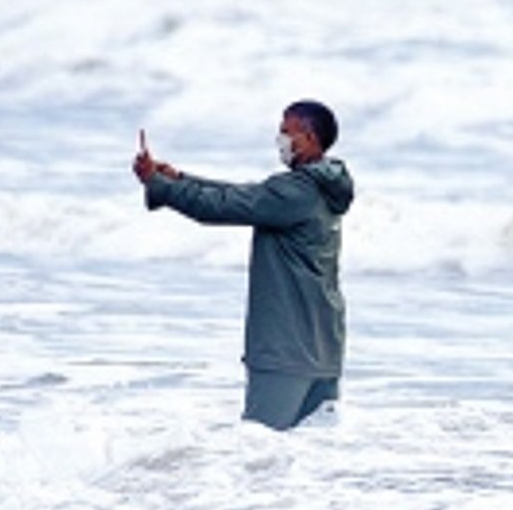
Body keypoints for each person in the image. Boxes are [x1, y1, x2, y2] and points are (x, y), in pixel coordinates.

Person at [132, 100, 355, 431]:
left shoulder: (296, 192)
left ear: (308, 137)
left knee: (257, 452)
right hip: (324, 350)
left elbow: (221, 207)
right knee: (312, 460)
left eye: (285, 132)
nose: (279, 139)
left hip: (285, 351)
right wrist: (179, 178)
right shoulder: (326, 186)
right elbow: (246, 195)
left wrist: (160, 185)